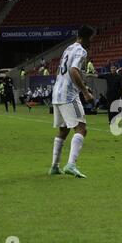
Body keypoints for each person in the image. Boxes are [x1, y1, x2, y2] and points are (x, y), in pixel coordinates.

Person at [49, 25, 94, 178]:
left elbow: (60, 70)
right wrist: (85, 92)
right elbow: (73, 70)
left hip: (57, 93)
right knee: (81, 128)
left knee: (63, 129)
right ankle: (71, 164)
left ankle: (54, 166)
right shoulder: (81, 51)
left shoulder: (67, 49)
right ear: (85, 38)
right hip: (69, 96)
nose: (91, 43)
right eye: (90, 39)